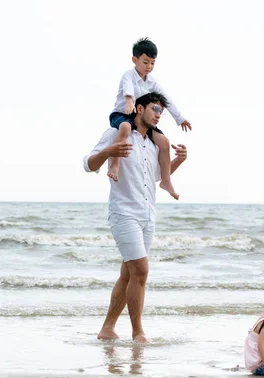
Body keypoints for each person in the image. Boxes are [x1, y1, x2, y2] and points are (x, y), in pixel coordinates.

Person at [83, 92, 188, 343]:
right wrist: (110, 151)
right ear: (139, 108)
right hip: (123, 213)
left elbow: (153, 178)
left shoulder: (155, 143)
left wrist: (178, 161)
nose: (158, 115)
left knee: (129, 274)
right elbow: (89, 164)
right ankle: (138, 332)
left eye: (161, 111)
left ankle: (107, 329)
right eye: (154, 109)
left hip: (147, 215)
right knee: (140, 270)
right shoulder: (116, 133)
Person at [107, 37, 192, 200]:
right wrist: (129, 101)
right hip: (123, 114)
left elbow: (166, 98)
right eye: (145, 62)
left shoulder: (152, 81)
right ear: (135, 59)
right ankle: (115, 165)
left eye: (152, 63)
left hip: (141, 119)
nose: (149, 67)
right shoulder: (129, 75)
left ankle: (166, 181)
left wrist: (180, 119)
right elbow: (128, 89)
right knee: (125, 127)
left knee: (164, 142)